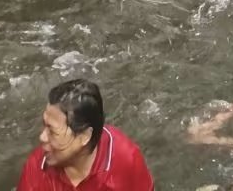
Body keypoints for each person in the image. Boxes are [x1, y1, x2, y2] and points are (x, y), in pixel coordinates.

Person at [16, 79, 154, 190]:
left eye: (52, 131)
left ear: (84, 136)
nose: (42, 137)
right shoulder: (38, 168)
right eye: (44, 125)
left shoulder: (125, 161)